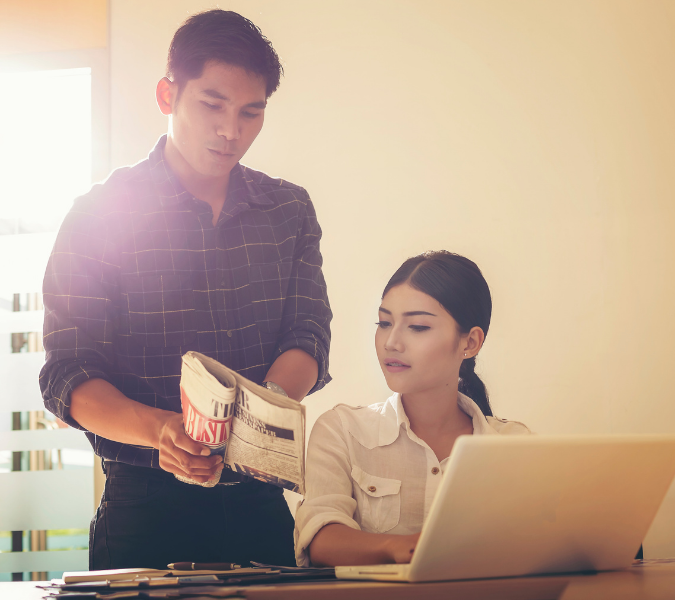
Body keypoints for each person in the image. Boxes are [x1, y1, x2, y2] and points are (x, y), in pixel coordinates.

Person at [39, 9, 331, 569]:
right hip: (144, 509)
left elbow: (309, 334)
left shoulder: (288, 210)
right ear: (166, 94)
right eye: (212, 105)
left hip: (261, 501)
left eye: (251, 112)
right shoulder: (99, 214)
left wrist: (257, 417)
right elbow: (66, 375)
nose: (231, 130)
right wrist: (161, 430)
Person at [294, 251, 530, 567]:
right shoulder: (343, 429)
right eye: (384, 322)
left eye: (417, 327)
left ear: (470, 343)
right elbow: (321, 540)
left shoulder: (514, 445)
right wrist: (399, 546)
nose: (391, 341)